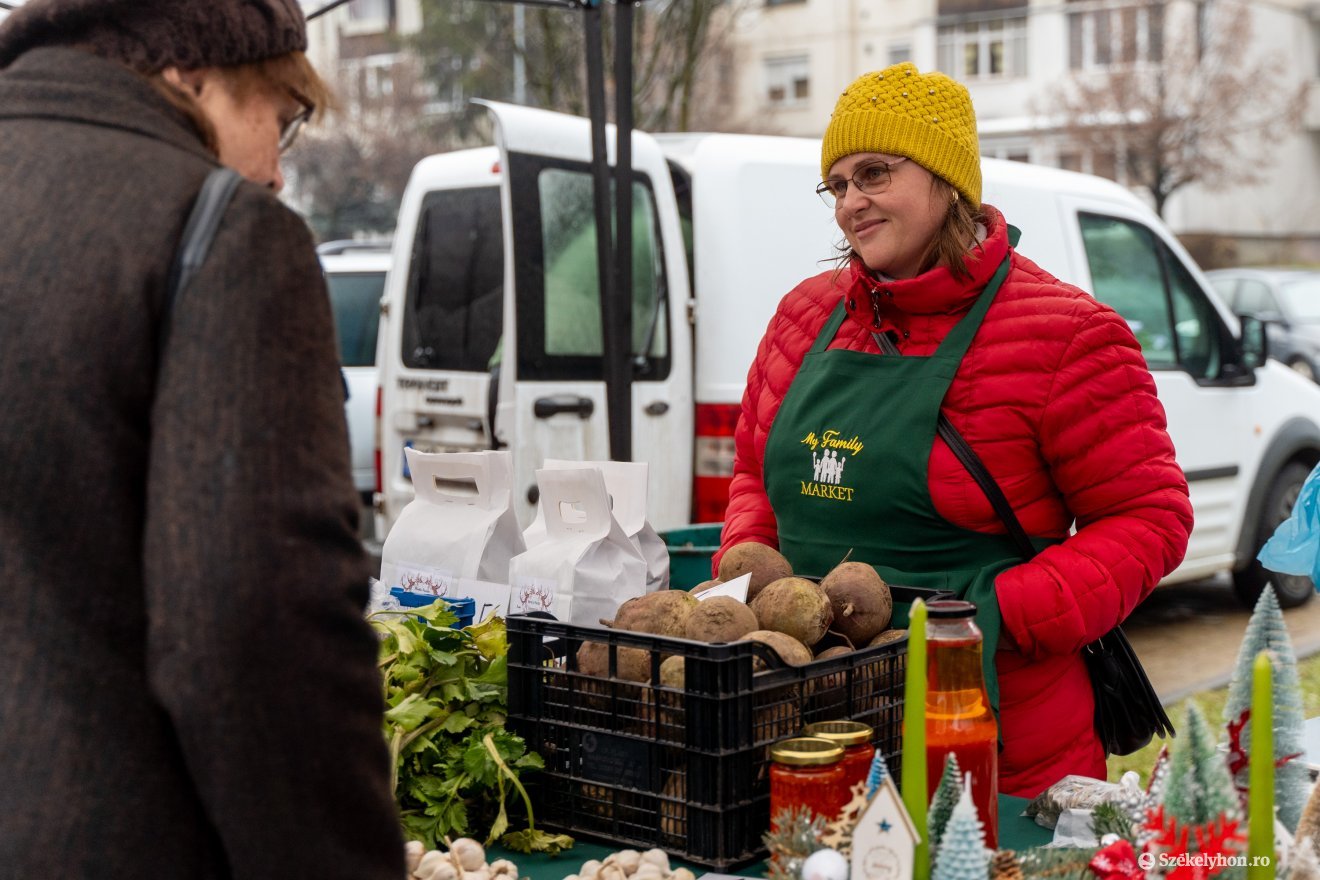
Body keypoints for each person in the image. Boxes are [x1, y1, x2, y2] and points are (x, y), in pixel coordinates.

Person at [0, 2, 404, 877]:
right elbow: (255, 629)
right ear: (191, 69)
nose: (277, 173)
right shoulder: (220, 231)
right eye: (281, 119)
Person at [716, 63, 1194, 798]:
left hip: (1000, 736)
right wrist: (757, 578)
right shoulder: (803, 316)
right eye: (836, 184)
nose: (850, 203)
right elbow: (753, 470)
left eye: (874, 173)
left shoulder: (1067, 334)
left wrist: (1000, 618)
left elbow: (1149, 517)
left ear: (948, 179)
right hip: (814, 716)